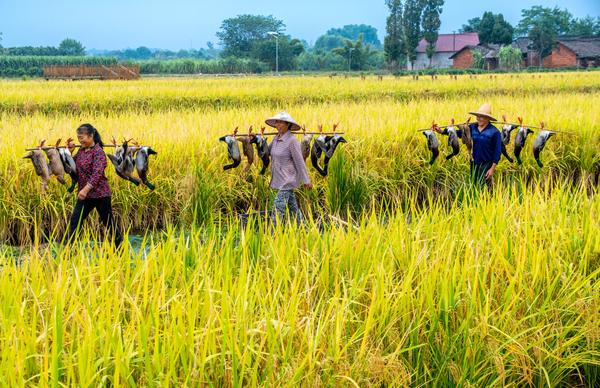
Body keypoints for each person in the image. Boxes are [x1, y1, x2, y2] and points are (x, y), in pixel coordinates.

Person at [66, 124, 123, 247]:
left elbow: (97, 174)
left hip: (100, 195)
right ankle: (69, 251)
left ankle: (120, 248)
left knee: (109, 223)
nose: (80, 141)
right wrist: (69, 153)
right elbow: (71, 168)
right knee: (75, 221)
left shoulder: (98, 152)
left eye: (82, 138)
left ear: (91, 136)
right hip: (85, 196)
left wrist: (85, 190)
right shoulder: (81, 151)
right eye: (78, 138)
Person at [436, 103, 502, 188]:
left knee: (484, 187)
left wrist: (492, 169)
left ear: (488, 118)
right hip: (474, 162)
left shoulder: (494, 132)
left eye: (481, 116)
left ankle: (488, 200)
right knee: (474, 185)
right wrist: (442, 131)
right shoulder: (472, 127)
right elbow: (460, 134)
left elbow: (497, 151)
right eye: (477, 116)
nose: (478, 118)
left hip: (486, 164)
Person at [265, 112, 312, 225]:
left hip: (288, 180)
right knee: (294, 211)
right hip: (279, 178)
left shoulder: (292, 141)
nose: (278, 125)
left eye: (281, 122)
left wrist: (306, 180)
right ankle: (304, 229)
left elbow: (300, 162)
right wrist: (258, 140)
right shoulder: (276, 138)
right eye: (277, 122)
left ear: (288, 125)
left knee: (278, 209)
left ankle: (272, 235)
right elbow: (266, 152)